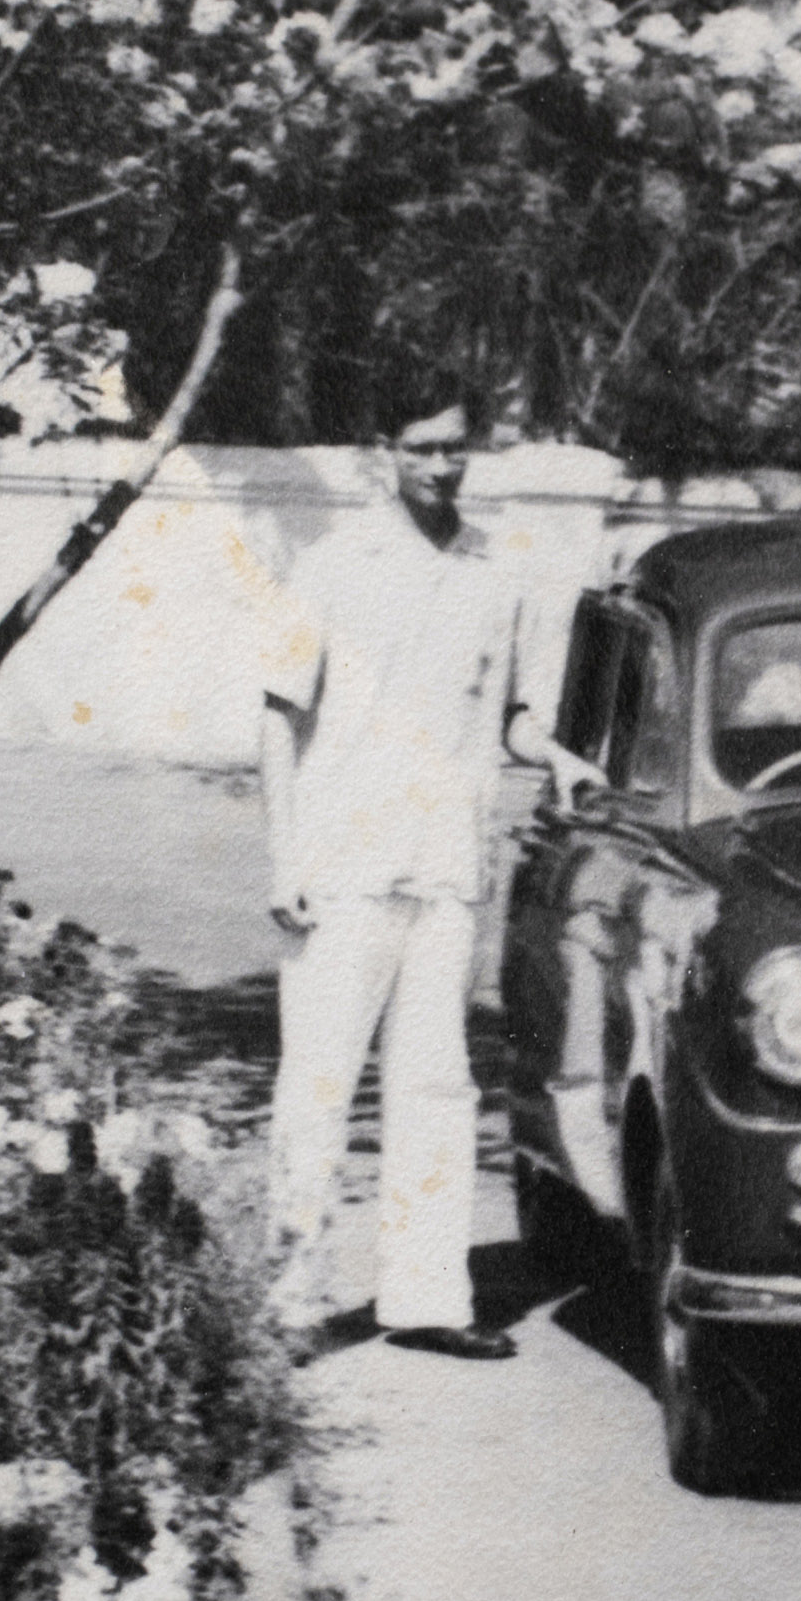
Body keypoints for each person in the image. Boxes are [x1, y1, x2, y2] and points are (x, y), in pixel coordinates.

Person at [257, 405, 591, 1360]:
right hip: (340, 863)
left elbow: (514, 719)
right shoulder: (330, 564)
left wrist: (557, 757)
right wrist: (283, 857)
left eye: (456, 448)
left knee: (437, 1084)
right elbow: (278, 718)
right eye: (422, 447)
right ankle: (289, 1304)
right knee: (317, 1083)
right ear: (384, 454)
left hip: (445, 861)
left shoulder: (499, 570)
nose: (442, 465)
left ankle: (427, 1300)